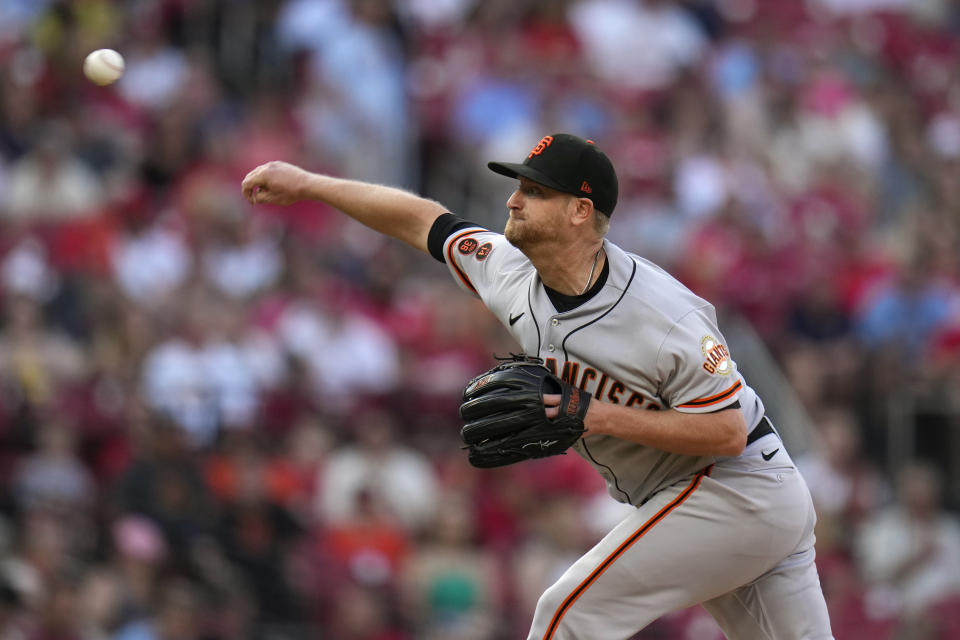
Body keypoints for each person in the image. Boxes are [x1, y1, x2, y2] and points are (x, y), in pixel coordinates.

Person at [241, 133, 833, 639]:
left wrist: (591, 414)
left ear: (581, 210)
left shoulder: (664, 315)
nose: (513, 199)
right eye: (517, 186)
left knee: (566, 615)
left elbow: (729, 431)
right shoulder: (509, 272)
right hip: (703, 498)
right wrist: (309, 183)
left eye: (534, 191)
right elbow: (421, 219)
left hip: (737, 487)